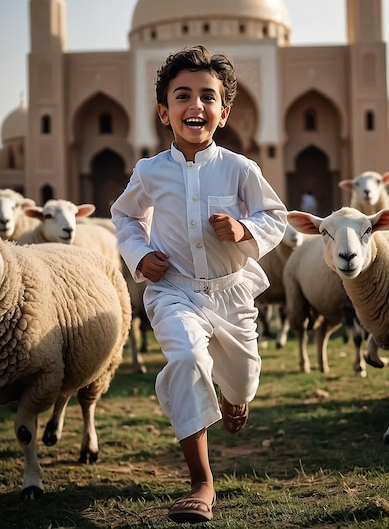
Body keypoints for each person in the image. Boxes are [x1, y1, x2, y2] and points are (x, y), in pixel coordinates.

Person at [111, 45, 287, 524]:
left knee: (243, 378)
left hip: (231, 292)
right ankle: (201, 481)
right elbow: (124, 214)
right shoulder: (150, 171)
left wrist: (245, 229)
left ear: (224, 113)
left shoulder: (240, 168)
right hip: (174, 288)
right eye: (183, 96)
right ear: (164, 112)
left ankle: (234, 395)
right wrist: (139, 253)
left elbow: (276, 216)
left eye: (208, 97)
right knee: (187, 359)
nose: (196, 106)